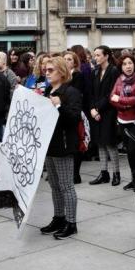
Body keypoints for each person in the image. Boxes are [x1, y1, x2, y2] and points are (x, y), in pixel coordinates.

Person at [40, 56, 82, 239]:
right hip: (50, 143)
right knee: (55, 185)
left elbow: (74, 119)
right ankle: (59, 217)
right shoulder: (49, 89)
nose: (47, 73)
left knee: (66, 186)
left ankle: (71, 223)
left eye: (51, 70)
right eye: (46, 70)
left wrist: (59, 106)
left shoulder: (71, 92)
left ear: (62, 72)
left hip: (64, 144)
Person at [110, 53, 135, 191]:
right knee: (130, 153)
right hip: (122, 119)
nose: (128, 66)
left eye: (130, 63)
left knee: (133, 150)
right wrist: (124, 104)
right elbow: (112, 98)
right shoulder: (119, 79)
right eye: (124, 64)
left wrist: (121, 100)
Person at [88, 46, 121, 186]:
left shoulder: (113, 71)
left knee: (110, 143)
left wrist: (97, 108)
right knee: (100, 143)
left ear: (106, 56)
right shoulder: (95, 71)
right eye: (94, 55)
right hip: (96, 112)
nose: (95, 58)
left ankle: (116, 174)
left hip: (108, 112)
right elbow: (91, 92)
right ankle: (104, 173)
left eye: (98, 55)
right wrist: (92, 109)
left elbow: (112, 93)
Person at [64, 51, 88, 184]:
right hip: (65, 112)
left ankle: (75, 174)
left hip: (76, 112)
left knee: (77, 141)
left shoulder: (77, 75)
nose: (67, 61)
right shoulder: (63, 76)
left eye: (69, 59)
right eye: (65, 59)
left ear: (74, 62)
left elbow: (76, 94)